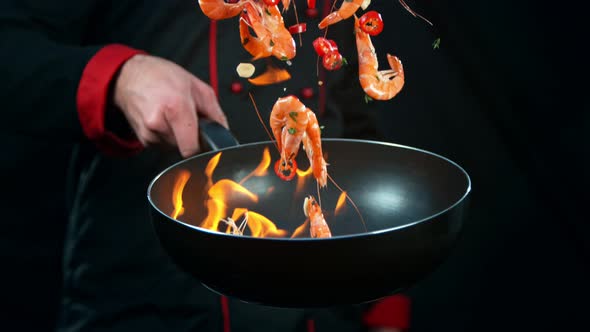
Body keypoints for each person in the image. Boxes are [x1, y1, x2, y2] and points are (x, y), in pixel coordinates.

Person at [1, 1, 411, 331]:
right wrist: (121, 77)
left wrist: (382, 292)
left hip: (323, 304)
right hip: (152, 294)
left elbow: (347, 111)